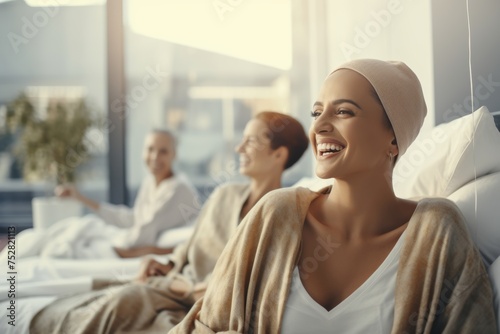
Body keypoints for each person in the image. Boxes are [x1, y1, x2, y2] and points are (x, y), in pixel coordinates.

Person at [171, 59, 498, 333]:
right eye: (316, 113)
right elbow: (207, 325)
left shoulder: (437, 229)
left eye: (343, 112)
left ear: (393, 140)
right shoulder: (276, 213)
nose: (320, 126)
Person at [27, 111, 309, 333]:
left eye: (250, 141)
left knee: (122, 304)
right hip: (177, 282)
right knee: (111, 303)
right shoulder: (226, 194)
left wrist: (170, 285)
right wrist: (166, 264)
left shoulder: (278, 216)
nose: (239, 147)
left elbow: (250, 286)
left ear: (279, 154)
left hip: (199, 298)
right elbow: (188, 247)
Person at [44, 128, 198, 258]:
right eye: (150, 149)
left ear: (174, 155)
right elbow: (133, 219)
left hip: (145, 247)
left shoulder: (179, 189)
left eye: (163, 151)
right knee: (77, 227)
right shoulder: (150, 182)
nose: (155, 157)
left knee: (84, 232)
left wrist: (110, 246)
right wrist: (80, 198)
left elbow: (143, 234)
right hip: (133, 242)